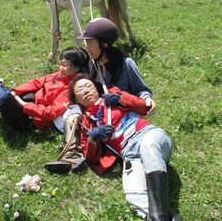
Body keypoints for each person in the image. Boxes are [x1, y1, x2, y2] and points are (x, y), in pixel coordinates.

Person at [45, 18, 156, 172]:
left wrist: (147, 99)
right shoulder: (90, 64)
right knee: (71, 114)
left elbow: (141, 89)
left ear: (105, 44)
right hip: (95, 116)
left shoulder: (126, 64)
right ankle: (73, 154)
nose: (86, 47)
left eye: (90, 43)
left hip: (119, 118)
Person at [69, 74, 181, 221]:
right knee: (133, 196)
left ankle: (159, 216)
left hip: (147, 135)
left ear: (96, 89)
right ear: (76, 99)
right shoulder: (85, 122)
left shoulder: (112, 94)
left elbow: (144, 107)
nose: (85, 91)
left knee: (149, 146)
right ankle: (167, 217)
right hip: (129, 154)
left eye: (89, 86)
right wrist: (93, 138)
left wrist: (120, 99)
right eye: (80, 90)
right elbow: (91, 157)